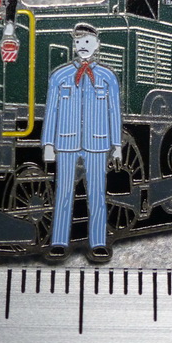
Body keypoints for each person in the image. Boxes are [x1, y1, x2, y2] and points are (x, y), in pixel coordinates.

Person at [41, 23, 123, 261]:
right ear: (73, 45)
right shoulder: (60, 76)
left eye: (87, 41)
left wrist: (117, 145)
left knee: (97, 193)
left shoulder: (107, 78)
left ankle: (98, 243)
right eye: (78, 42)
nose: (82, 46)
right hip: (66, 142)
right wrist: (48, 144)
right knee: (64, 192)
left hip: (97, 143)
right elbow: (52, 111)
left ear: (97, 44)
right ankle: (59, 242)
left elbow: (114, 112)